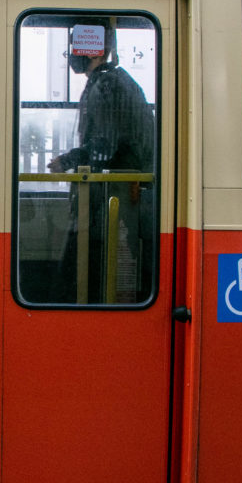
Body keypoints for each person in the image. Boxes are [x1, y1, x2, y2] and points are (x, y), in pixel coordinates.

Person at [46, 23, 154, 303]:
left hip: (109, 200)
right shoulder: (111, 81)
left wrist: (67, 161)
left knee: (81, 275)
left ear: (97, 50)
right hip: (110, 198)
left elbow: (104, 148)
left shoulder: (108, 85)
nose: (71, 54)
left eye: (76, 46)